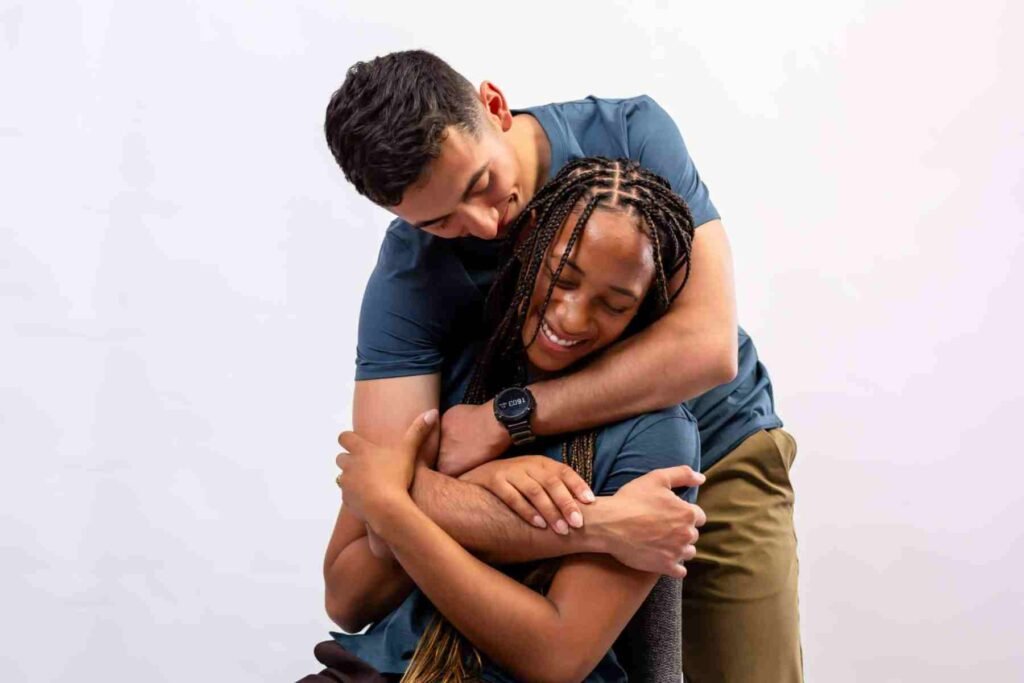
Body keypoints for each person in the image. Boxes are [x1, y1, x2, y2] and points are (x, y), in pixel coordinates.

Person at [323, 50, 801, 682]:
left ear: (495, 107)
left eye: (480, 185)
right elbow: (379, 495)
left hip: (720, 444)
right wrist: (597, 522)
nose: (484, 225)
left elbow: (706, 347)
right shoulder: (409, 280)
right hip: (550, 473)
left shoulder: (629, 134)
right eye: (439, 221)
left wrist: (505, 420)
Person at [315, 157, 704, 683]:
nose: (572, 317)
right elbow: (347, 599)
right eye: (562, 277)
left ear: (646, 306)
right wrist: (484, 481)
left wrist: (394, 504)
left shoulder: (656, 436)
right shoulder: (444, 360)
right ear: (529, 242)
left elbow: (555, 657)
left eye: (614, 305)